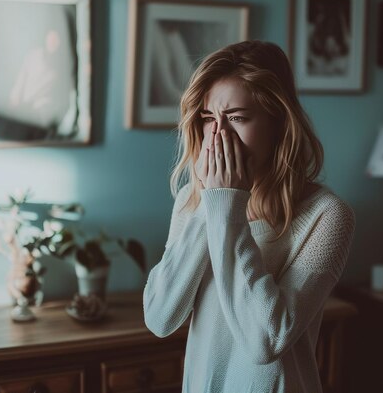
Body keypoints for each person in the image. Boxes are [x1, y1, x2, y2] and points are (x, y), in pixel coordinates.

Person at [143, 40, 356, 393]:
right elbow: (160, 317)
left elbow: (265, 341)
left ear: (279, 122)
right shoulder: (191, 200)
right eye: (209, 118)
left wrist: (228, 209)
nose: (219, 135)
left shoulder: (327, 216)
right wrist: (210, 202)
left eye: (238, 118)